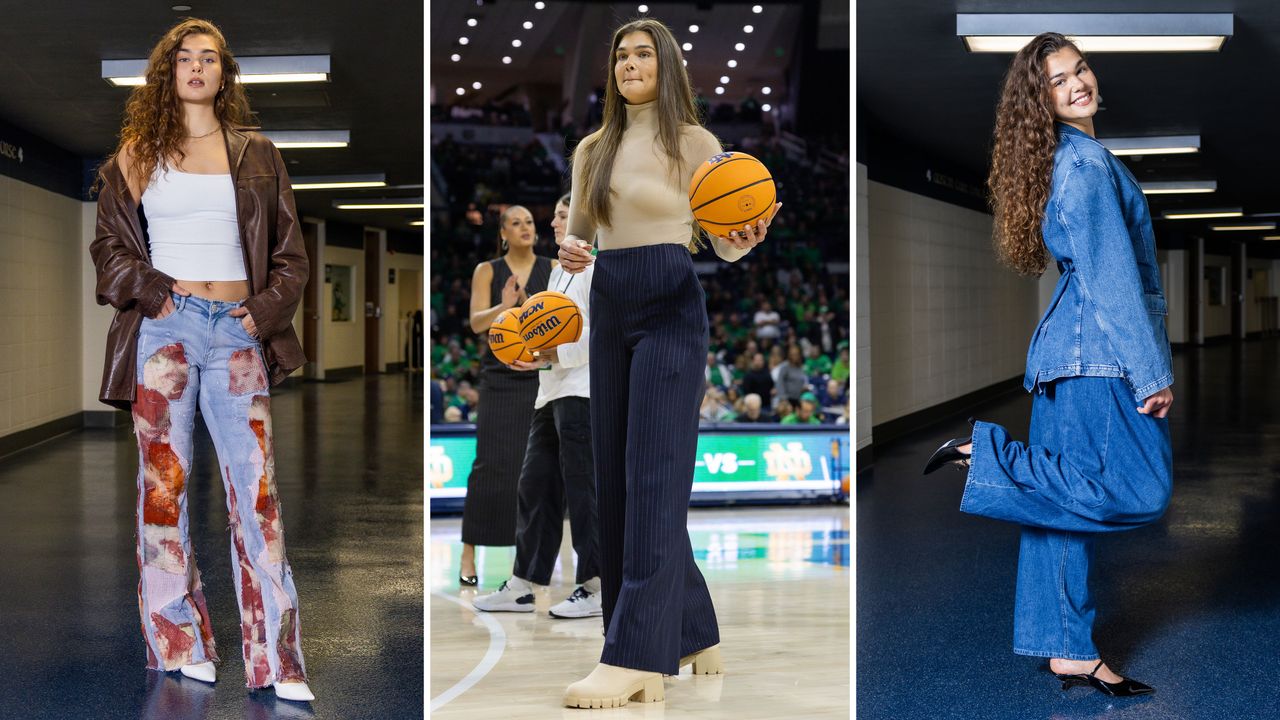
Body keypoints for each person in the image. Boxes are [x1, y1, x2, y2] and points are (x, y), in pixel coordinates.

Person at [923, 33, 1173, 697]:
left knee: (1055, 504)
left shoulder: (1071, 159)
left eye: (1079, 70)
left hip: (1068, 355)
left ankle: (1068, 650)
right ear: (1043, 101)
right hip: (1097, 356)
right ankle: (987, 455)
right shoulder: (1086, 166)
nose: (1076, 84)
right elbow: (1113, 278)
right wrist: (1150, 372)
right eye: (1059, 80)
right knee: (1142, 489)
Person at [556, 17, 779, 708]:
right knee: (615, 483)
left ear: (666, 65)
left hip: (671, 300)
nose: (628, 62)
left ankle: (634, 657)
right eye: (620, 53)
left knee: (654, 479)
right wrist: (567, 255)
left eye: (642, 52)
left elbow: (725, 245)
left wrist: (746, 237)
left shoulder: (697, 144)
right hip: (610, 300)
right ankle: (693, 628)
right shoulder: (590, 149)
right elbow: (578, 244)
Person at [89, 18, 314, 702]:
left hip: (240, 333)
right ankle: (178, 641)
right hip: (167, 333)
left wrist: (265, 309)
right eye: (183, 58)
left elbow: (292, 255)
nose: (195, 67)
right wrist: (154, 294)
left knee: (260, 496)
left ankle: (279, 660)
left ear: (224, 74)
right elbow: (109, 252)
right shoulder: (135, 156)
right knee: (165, 489)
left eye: (208, 58)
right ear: (168, 72)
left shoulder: (257, 152)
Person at [472, 194, 603, 619]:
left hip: (582, 390)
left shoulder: (594, 267)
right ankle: (525, 584)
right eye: (556, 217)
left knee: (584, 494)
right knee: (535, 488)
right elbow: (542, 332)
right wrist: (526, 350)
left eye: (564, 215)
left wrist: (553, 356)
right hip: (550, 392)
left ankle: (597, 585)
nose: (554, 224)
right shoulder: (557, 274)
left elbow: (598, 335)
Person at [459, 206, 554, 585]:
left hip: (542, 377)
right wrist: (505, 304)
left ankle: (533, 563)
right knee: (489, 467)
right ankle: (469, 556)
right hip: (499, 380)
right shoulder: (488, 269)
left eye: (529, 221)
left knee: (540, 472)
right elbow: (477, 324)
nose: (525, 227)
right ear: (503, 232)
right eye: (516, 223)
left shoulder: (553, 268)